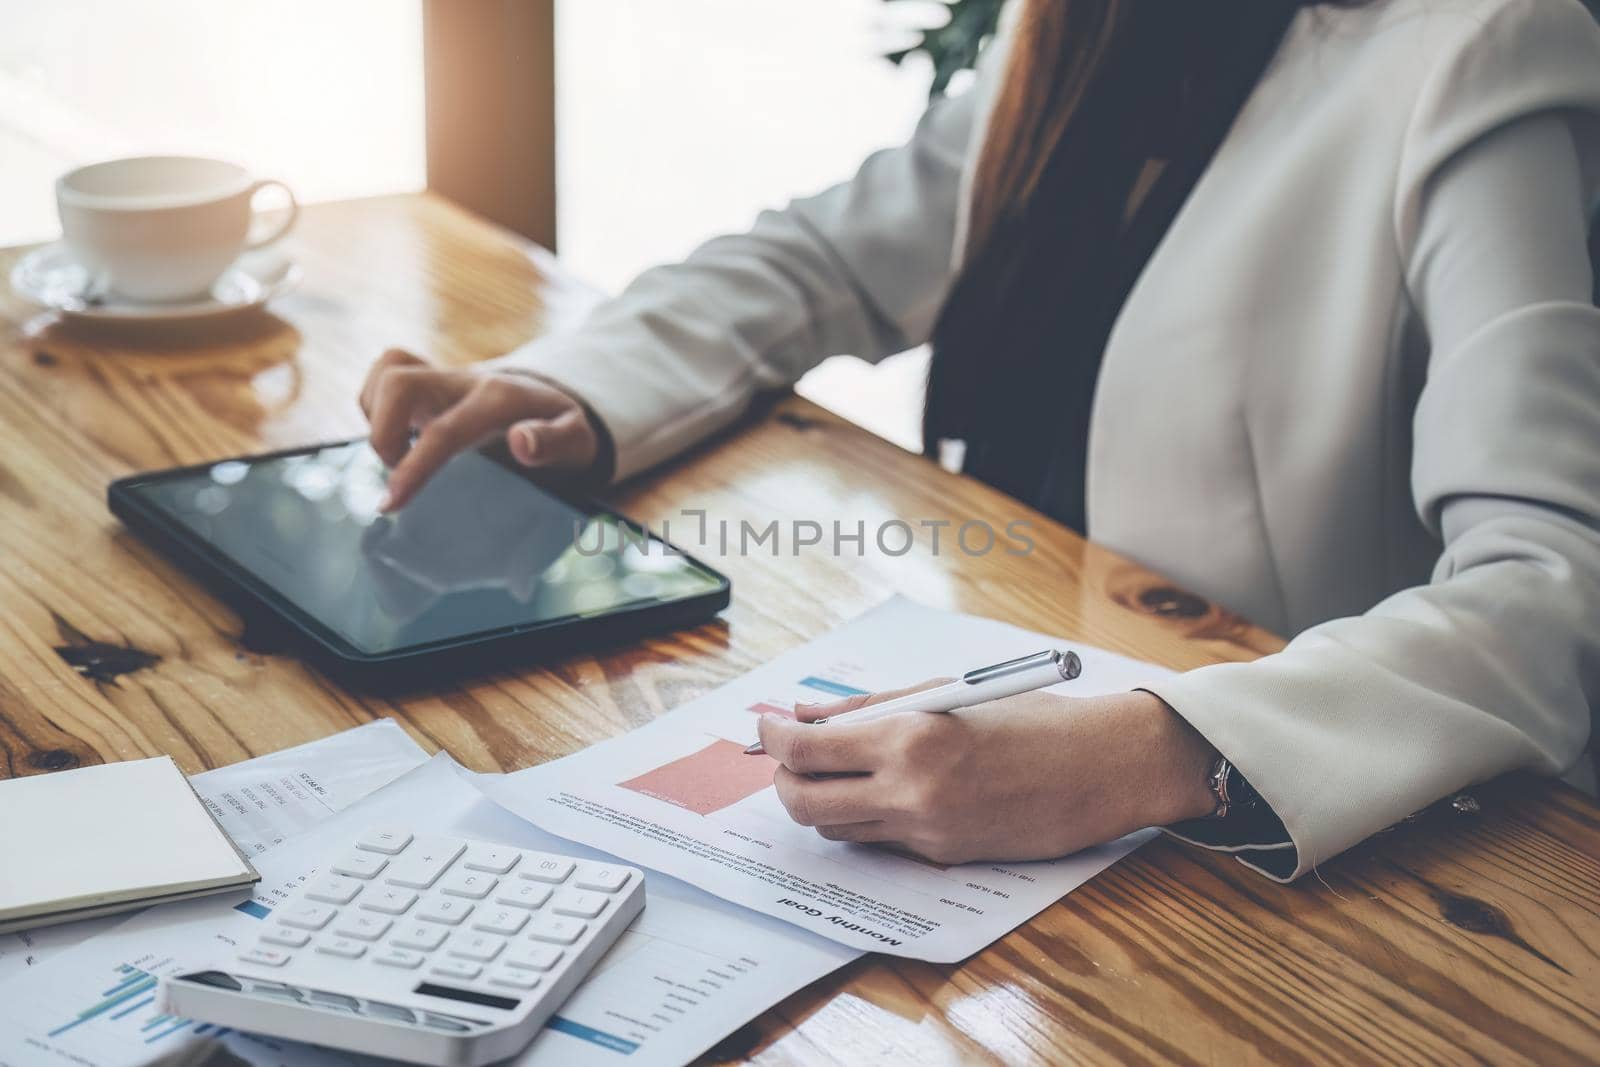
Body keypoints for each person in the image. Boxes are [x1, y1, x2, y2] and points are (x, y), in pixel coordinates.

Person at [360, 0, 1600, 880]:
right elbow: (827, 254)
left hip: (1273, 843)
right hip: (998, 728)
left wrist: (1167, 752)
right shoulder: (1073, 26)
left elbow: (1552, 589)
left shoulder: (1473, 50)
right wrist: (571, 387)